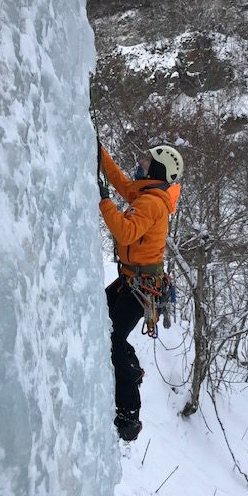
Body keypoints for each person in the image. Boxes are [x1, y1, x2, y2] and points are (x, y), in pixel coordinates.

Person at [98, 145, 184, 441]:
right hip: (132, 282)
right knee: (102, 322)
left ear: (158, 169)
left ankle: (129, 413)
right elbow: (121, 182)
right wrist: (99, 152)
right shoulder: (146, 194)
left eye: (146, 161)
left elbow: (126, 232)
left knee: (113, 338)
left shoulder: (151, 203)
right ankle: (130, 365)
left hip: (140, 288)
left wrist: (104, 202)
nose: (140, 163)